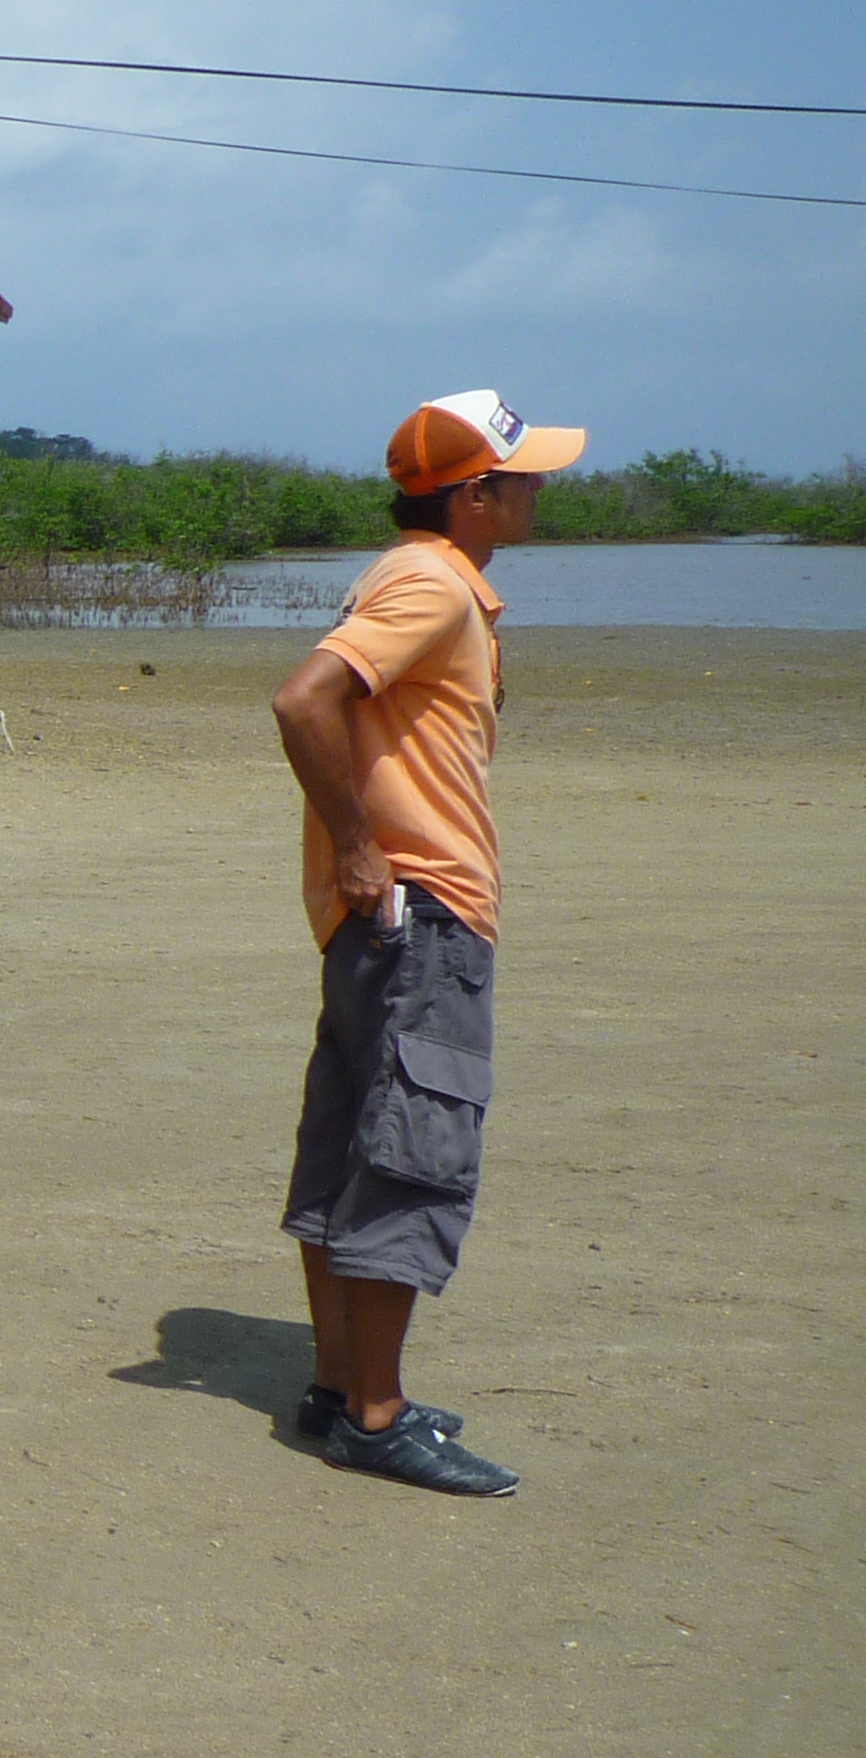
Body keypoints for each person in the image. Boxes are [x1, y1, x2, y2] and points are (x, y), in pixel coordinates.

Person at [268, 387, 585, 1499]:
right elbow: (303, 698)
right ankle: (374, 1413)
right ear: (474, 496)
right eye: (523, 474)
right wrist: (362, 850)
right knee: (411, 1153)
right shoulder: (428, 582)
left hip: (383, 919)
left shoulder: (419, 579)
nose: (539, 488)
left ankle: (335, 1385)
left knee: (352, 1141)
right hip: (420, 916)